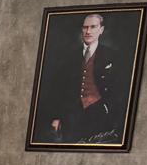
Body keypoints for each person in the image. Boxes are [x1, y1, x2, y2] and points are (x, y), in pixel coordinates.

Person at [41, 12, 127, 145]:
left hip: (100, 114)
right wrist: (56, 117)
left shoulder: (113, 56)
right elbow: (58, 89)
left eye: (93, 27)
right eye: (85, 27)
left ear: (101, 30)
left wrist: (113, 115)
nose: (88, 31)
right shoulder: (68, 56)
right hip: (71, 115)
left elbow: (120, 90)